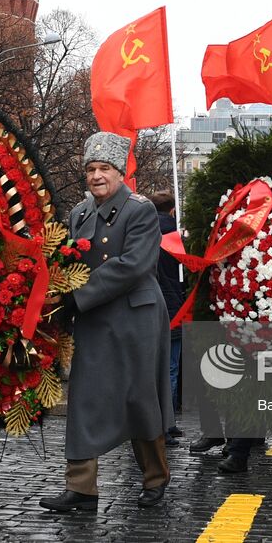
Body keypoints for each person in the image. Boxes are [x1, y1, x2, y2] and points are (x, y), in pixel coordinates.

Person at [40, 132, 172, 513]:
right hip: (94, 316)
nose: (97, 176)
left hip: (135, 317)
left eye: (105, 169)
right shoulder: (79, 212)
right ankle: (81, 488)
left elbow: (133, 265)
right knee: (86, 398)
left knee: (139, 398)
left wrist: (73, 296)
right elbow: (70, 260)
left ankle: (154, 478)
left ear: (120, 172)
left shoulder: (139, 209)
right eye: (91, 169)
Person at [152, 192, 186, 446]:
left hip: (152, 304)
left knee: (154, 367)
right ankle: (166, 423)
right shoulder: (177, 236)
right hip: (175, 305)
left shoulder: (145, 233)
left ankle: (163, 423)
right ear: (172, 211)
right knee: (170, 368)